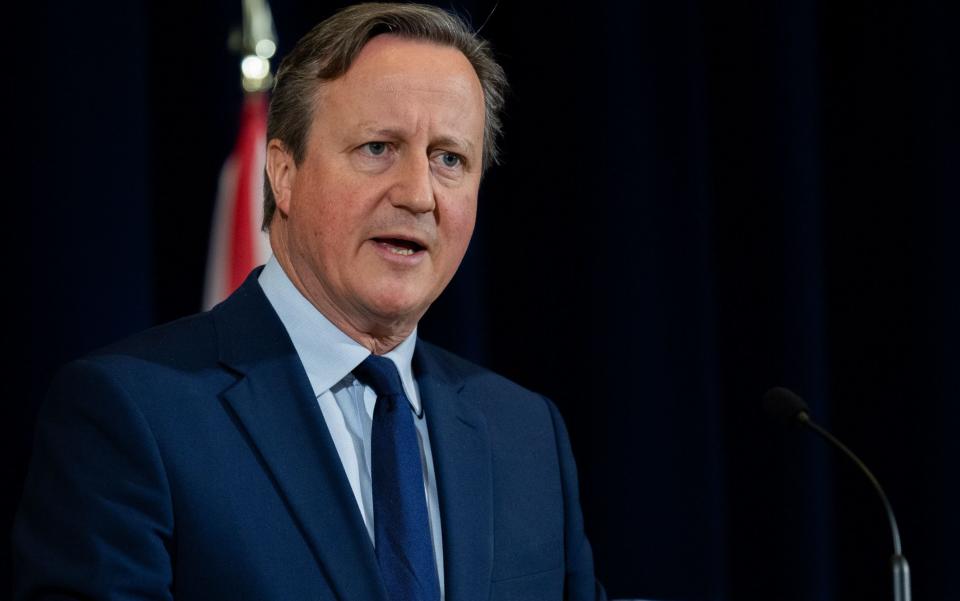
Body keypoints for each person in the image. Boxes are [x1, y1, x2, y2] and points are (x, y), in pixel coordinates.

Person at [14, 4, 604, 600]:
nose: (419, 194)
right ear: (284, 174)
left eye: (449, 159)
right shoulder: (131, 415)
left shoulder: (526, 435)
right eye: (378, 148)